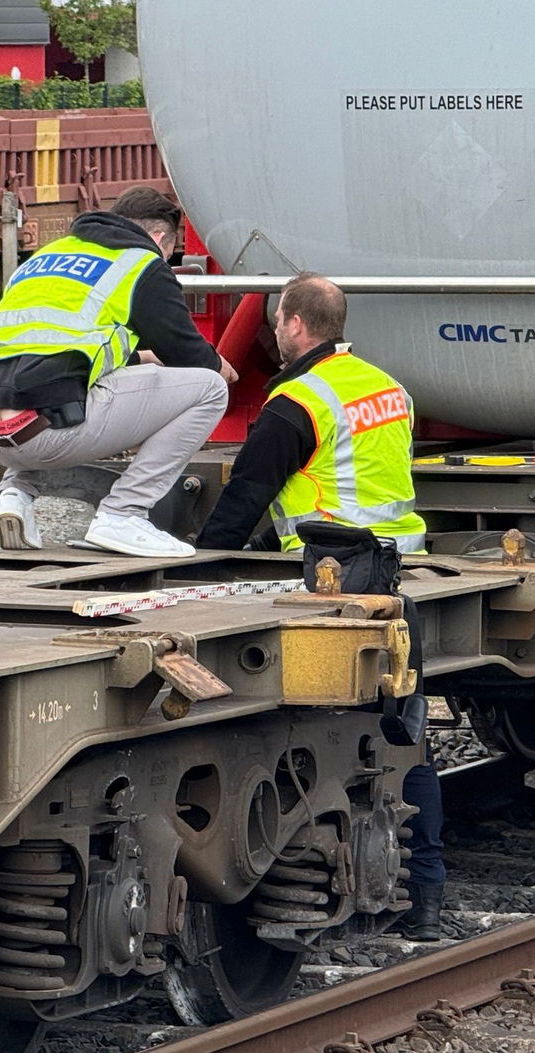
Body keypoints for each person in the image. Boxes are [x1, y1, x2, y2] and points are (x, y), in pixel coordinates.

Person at [195, 273, 442, 938]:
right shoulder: (388, 388)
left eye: (278, 321)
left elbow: (245, 497)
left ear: (296, 324)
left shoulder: (296, 402)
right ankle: (424, 901)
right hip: (398, 576)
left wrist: (193, 568)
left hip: (334, 585)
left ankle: (323, 892)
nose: (276, 333)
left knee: (324, 739)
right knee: (406, 736)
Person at [0, 186, 236, 557]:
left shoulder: (46, 257)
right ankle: (123, 514)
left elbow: (57, 348)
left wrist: (142, 359)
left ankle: (14, 496)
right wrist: (220, 365)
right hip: (47, 437)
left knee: (44, 386)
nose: (167, 259)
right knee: (209, 388)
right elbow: (188, 353)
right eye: (170, 251)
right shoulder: (141, 263)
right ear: (159, 237)